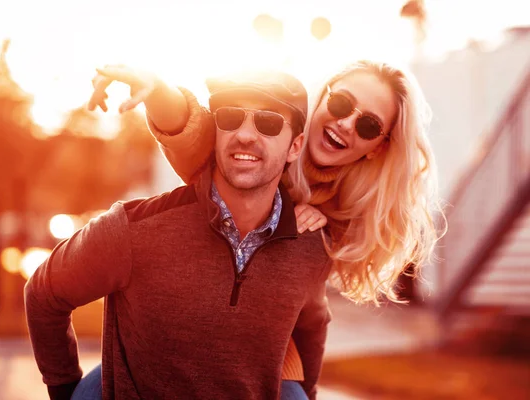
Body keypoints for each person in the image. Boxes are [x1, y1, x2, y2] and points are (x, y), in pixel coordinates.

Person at [88, 59, 444, 398]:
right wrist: (157, 91)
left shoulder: (348, 208)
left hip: (263, 361)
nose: (346, 124)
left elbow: (312, 319)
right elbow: (190, 129)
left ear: (377, 147)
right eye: (341, 103)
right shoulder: (254, 137)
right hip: (170, 343)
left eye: (368, 125)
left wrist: (322, 226)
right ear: (323, 97)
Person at [25, 70, 332, 400]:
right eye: (230, 118)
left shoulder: (309, 248)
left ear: (295, 146)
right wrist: (66, 391)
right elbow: (45, 293)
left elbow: (312, 325)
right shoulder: (133, 230)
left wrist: (307, 393)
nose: (244, 135)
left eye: (268, 123)